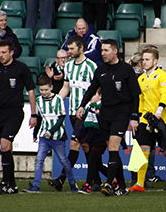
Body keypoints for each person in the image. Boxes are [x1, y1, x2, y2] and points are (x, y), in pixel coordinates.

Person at [77, 39, 140, 196]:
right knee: (113, 151)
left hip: (121, 112)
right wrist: (82, 105)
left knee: (113, 147)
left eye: (106, 50)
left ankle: (109, 184)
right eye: (102, 50)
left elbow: (135, 95)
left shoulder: (126, 69)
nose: (102, 53)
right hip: (105, 113)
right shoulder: (100, 69)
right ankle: (122, 186)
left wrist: (134, 116)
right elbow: (92, 88)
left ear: (115, 51)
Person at [129, 46, 166, 193]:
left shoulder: (162, 76)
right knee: (144, 150)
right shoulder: (140, 79)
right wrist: (140, 117)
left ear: (155, 60)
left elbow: (165, 96)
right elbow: (141, 100)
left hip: (162, 120)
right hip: (146, 120)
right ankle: (140, 183)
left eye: (147, 59)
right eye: (143, 60)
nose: (144, 62)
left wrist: (159, 111)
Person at [48, 35, 97, 191]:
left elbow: (97, 91)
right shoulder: (68, 65)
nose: (68, 52)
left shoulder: (91, 66)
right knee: (86, 146)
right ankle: (95, 178)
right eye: (68, 49)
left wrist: (87, 106)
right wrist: (57, 101)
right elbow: (66, 87)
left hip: (85, 112)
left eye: (71, 49)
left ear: (81, 48)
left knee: (75, 143)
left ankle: (61, 179)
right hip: (72, 111)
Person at [0, 40, 37, 194]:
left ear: (11, 52)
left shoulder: (21, 68)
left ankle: (4, 182)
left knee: (5, 144)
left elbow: (31, 90)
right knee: (6, 148)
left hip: (15, 112)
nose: (1, 55)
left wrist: (34, 114)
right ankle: (12, 185)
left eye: (4, 52)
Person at [23, 74, 77, 193]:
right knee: (39, 160)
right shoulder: (38, 100)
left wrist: (51, 131)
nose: (44, 92)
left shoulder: (58, 99)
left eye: (46, 89)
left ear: (51, 87)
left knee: (64, 161)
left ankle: (73, 184)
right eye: (41, 90)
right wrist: (35, 133)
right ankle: (36, 185)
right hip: (44, 136)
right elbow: (39, 118)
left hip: (57, 137)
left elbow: (61, 117)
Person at [76, 89, 108, 194]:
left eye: (94, 94)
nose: (91, 96)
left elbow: (104, 124)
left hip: (101, 138)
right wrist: (79, 136)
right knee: (97, 164)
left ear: (100, 96)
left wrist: (98, 114)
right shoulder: (90, 107)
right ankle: (115, 179)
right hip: (92, 138)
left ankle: (88, 184)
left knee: (92, 160)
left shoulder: (104, 107)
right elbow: (85, 122)